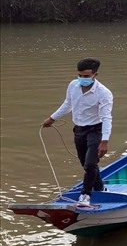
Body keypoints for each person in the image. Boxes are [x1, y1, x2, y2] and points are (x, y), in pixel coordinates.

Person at [42, 58, 113, 207]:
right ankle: (99, 187)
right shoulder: (73, 85)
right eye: (79, 75)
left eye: (86, 76)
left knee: (90, 163)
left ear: (95, 75)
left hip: (95, 129)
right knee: (85, 162)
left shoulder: (104, 93)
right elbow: (68, 104)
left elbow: (106, 117)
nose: (82, 79)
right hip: (79, 129)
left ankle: (85, 195)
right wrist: (52, 118)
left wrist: (104, 141)